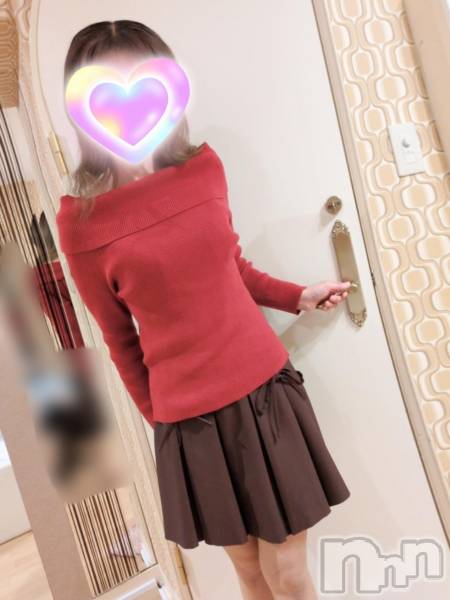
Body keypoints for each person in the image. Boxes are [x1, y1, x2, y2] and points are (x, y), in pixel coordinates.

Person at [56, 20, 351, 600]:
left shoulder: (203, 169)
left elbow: (230, 265)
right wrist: (166, 425)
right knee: (249, 574)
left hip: (264, 394)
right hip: (191, 423)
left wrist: (296, 296)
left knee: (289, 574)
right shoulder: (80, 223)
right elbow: (120, 341)